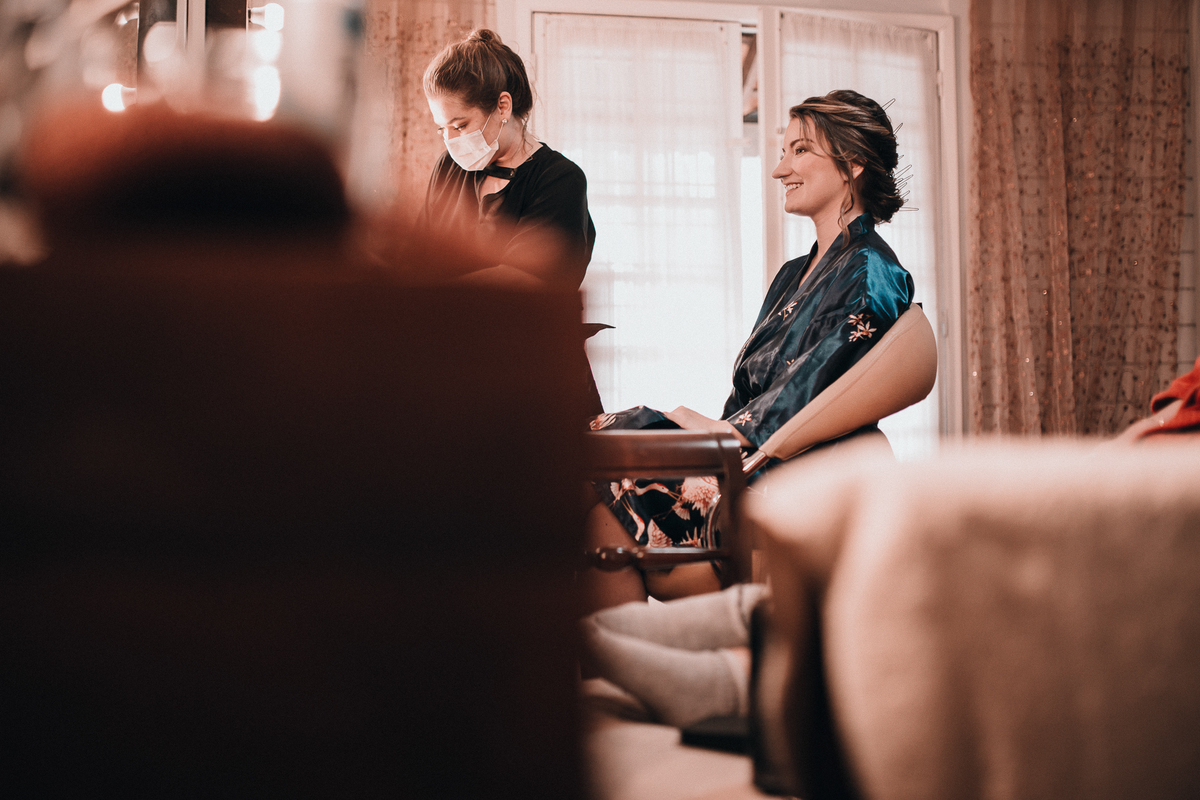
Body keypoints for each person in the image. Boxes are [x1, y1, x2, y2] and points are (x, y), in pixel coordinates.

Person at [584, 89, 914, 606]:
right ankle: (616, 665)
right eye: (783, 152)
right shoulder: (790, 276)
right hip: (737, 462)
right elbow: (749, 395)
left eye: (799, 150)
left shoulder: (875, 272)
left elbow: (816, 388)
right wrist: (709, 438)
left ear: (852, 164)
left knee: (606, 443)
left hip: (783, 478)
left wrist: (721, 434)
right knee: (589, 463)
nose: (781, 169)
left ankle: (611, 663)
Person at [419, 28, 596, 289]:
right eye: (441, 129)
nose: (450, 141)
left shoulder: (559, 179)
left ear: (503, 106)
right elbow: (419, 255)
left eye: (460, 126)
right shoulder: (448, 168)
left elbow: (520, 281)